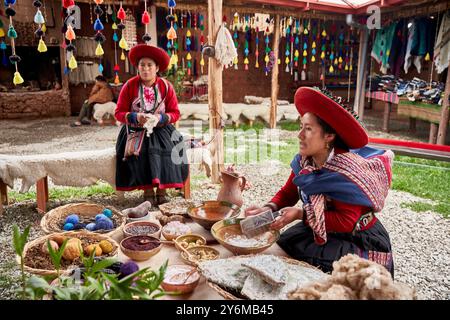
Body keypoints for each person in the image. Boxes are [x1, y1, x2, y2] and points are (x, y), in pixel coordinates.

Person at [245, 87, 395, 277]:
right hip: (322, 225)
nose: (299, 135)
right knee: (282, 247)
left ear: (329, 136)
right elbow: (289, 192)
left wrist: (301, 214)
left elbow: (346, 221)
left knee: (305, 266)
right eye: (301, 127)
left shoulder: (345, 172)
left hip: (354, 237)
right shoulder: (306, 161)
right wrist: (269, 207)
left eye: (308, 129)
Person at [114, 44, 189, 206]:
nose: (145, 69)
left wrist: (160, 119)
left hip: (161, 128)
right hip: (135, 129)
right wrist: (135, 116)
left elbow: (175, 113)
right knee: (143, 150)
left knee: (170, 148)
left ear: (157, 68)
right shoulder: (129, 86)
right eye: (142, 65)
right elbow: (119, 112)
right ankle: (147, 190)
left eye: (150, 65)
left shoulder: (166, 87)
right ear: (137, 68)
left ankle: (162, 189)